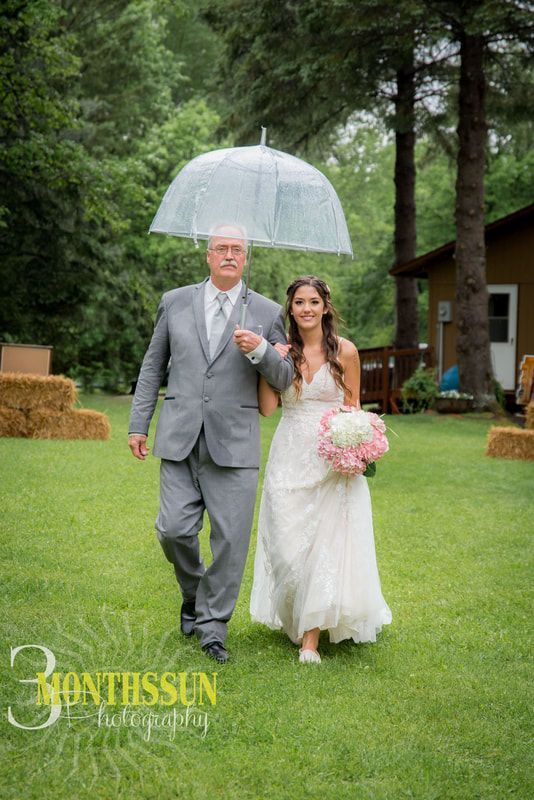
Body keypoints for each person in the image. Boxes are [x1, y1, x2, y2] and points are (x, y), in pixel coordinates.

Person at [128, 225, 294, 664]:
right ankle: (193, 591)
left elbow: (284, 378)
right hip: (179, 437)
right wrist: (138, 423)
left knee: (231, 541)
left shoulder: (266, 310)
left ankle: (213, 626)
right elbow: (152, 367)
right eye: (221, 248)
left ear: (245, 258)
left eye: (237, 249)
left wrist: (260, 350)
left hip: (235, 443)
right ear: (207, 256)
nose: (228, 255)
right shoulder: (174, 301)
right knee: (173, 530)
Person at [250, 275, 391, 663]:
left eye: (314, 301)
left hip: (331, 458)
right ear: (290, 309)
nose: (307, 309)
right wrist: (266, 360)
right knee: (286, 544)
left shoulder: (345, 351)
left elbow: (354, 406)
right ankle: (296, 615)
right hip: (288, 455)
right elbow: (266, 409)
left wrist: (353, 446)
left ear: (325, 307)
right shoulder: (282, 352)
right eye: (299, 302)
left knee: (324, 543)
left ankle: (310, 638)